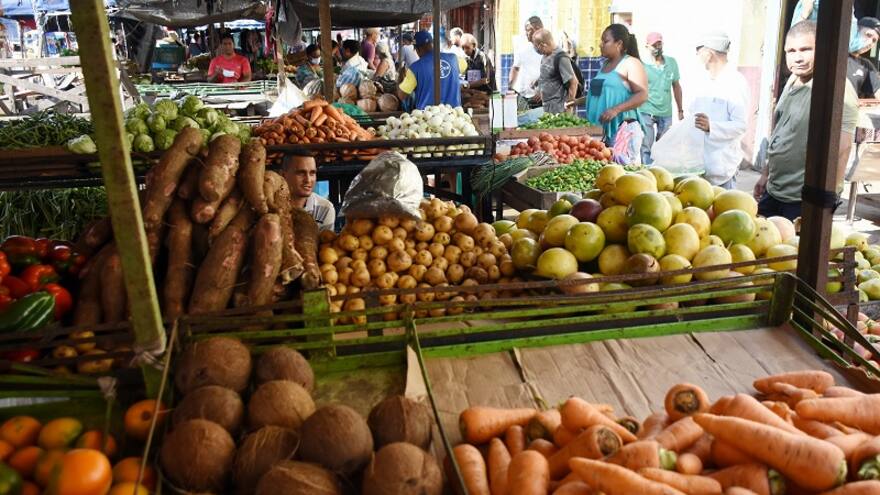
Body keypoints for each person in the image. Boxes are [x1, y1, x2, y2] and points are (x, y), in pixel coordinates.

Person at [753, 21, 858, 220]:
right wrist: (766, 174)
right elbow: (779, 133)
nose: (798, 58)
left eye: (805, 49)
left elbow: (842, 147)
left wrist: (827, 199)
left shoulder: (836, 88)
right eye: (791, 51)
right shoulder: (792, 81)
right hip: (774, 191)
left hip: (803, 200)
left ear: (821, 50)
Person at [688, 31, 750, 189]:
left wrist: (712, 127)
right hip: (699, 166)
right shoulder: (704, 80)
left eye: (699, 50)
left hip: (722, 168)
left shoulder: (735, 82)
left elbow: (740, 125)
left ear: (709, 53)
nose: (697, 55)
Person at [585, 24, 648, 146]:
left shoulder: (630, 63)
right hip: (599, 132)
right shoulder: (605, 65)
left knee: (622, 165)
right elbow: (603, 93)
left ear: (619, 43)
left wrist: (616, 109)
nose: (601, 44)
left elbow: (642, 94)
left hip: (621, 131)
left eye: (605, 41)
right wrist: (577, 102)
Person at [640, 32, 683, 165]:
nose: (657, 47)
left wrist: (680, 110)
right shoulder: (643, 65)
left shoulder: (671, 63)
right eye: (654, 45)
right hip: (646, 110)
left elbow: (676, 87)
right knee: (646, 145)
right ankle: (647, 171)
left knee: (663, 147)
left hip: (665, 113)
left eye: (659, 43)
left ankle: (659, 171)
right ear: (647, 46)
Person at [397, 31, 466, 110]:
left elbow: (402, 95)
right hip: (454, 115)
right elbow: (465, 66)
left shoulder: (415, 68)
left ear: (417, 49)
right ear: (432, 44)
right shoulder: (454, 59)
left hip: (427, 117)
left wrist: (400, 78)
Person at [282, 155, 336, 231]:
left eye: (312, 173)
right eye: (301, 173)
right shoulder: (271, 206)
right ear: (284, 175)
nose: (308, 180)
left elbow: (325, 242)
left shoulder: (325, 209)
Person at [531, 29, 578, 114]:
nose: (536, 49)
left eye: (536, 46)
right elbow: (551, 73)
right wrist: (539, 81)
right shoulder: (545, 55)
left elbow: (573, 83)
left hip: (559, 110)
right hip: (547, 108)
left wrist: (568, 108)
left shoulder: (561, 58)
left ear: (542, 45)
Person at [508, 17, 544, 109]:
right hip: (522, 95)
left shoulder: (547, 48)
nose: (526, 33)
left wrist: (543, 91)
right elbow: (515, 68)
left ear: (538, 29)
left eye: (528, 30)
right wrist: (510, 87)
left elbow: (553, 73)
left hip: (540, 97)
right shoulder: (522, 48)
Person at [847, 17, 880, 99]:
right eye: (868, 35)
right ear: (856, 30)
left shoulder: (866, 65)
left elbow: (878, 91)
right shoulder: (834, 54)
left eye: (874, 41)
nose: (870, 43)